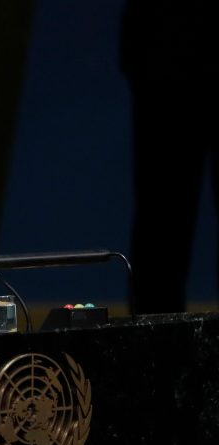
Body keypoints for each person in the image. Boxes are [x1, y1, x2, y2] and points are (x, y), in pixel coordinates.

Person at [120, 0, 219, 314]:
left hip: (160, 56)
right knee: (162, 217)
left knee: (161, 219)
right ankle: (154, 348)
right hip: (163, 62)